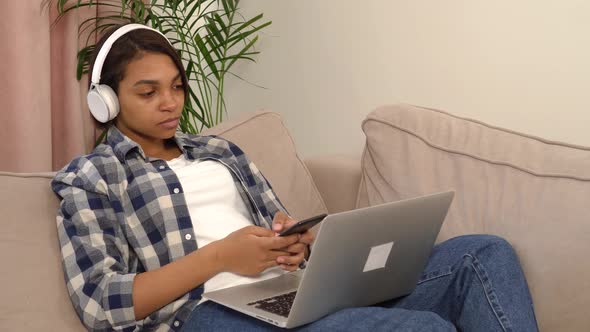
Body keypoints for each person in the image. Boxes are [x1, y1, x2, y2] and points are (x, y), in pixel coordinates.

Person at [52, 23, 539, 332]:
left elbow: (280, 230)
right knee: (423, 328)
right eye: (148, 91)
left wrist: (293, 244)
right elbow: (100, 303)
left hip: (289, 293)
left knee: (482, 253)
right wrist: (221, 256)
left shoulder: (221, 151)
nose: (170, 102)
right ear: (107, 101)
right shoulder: (92, 177)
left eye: (176, 87)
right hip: (208, 315)